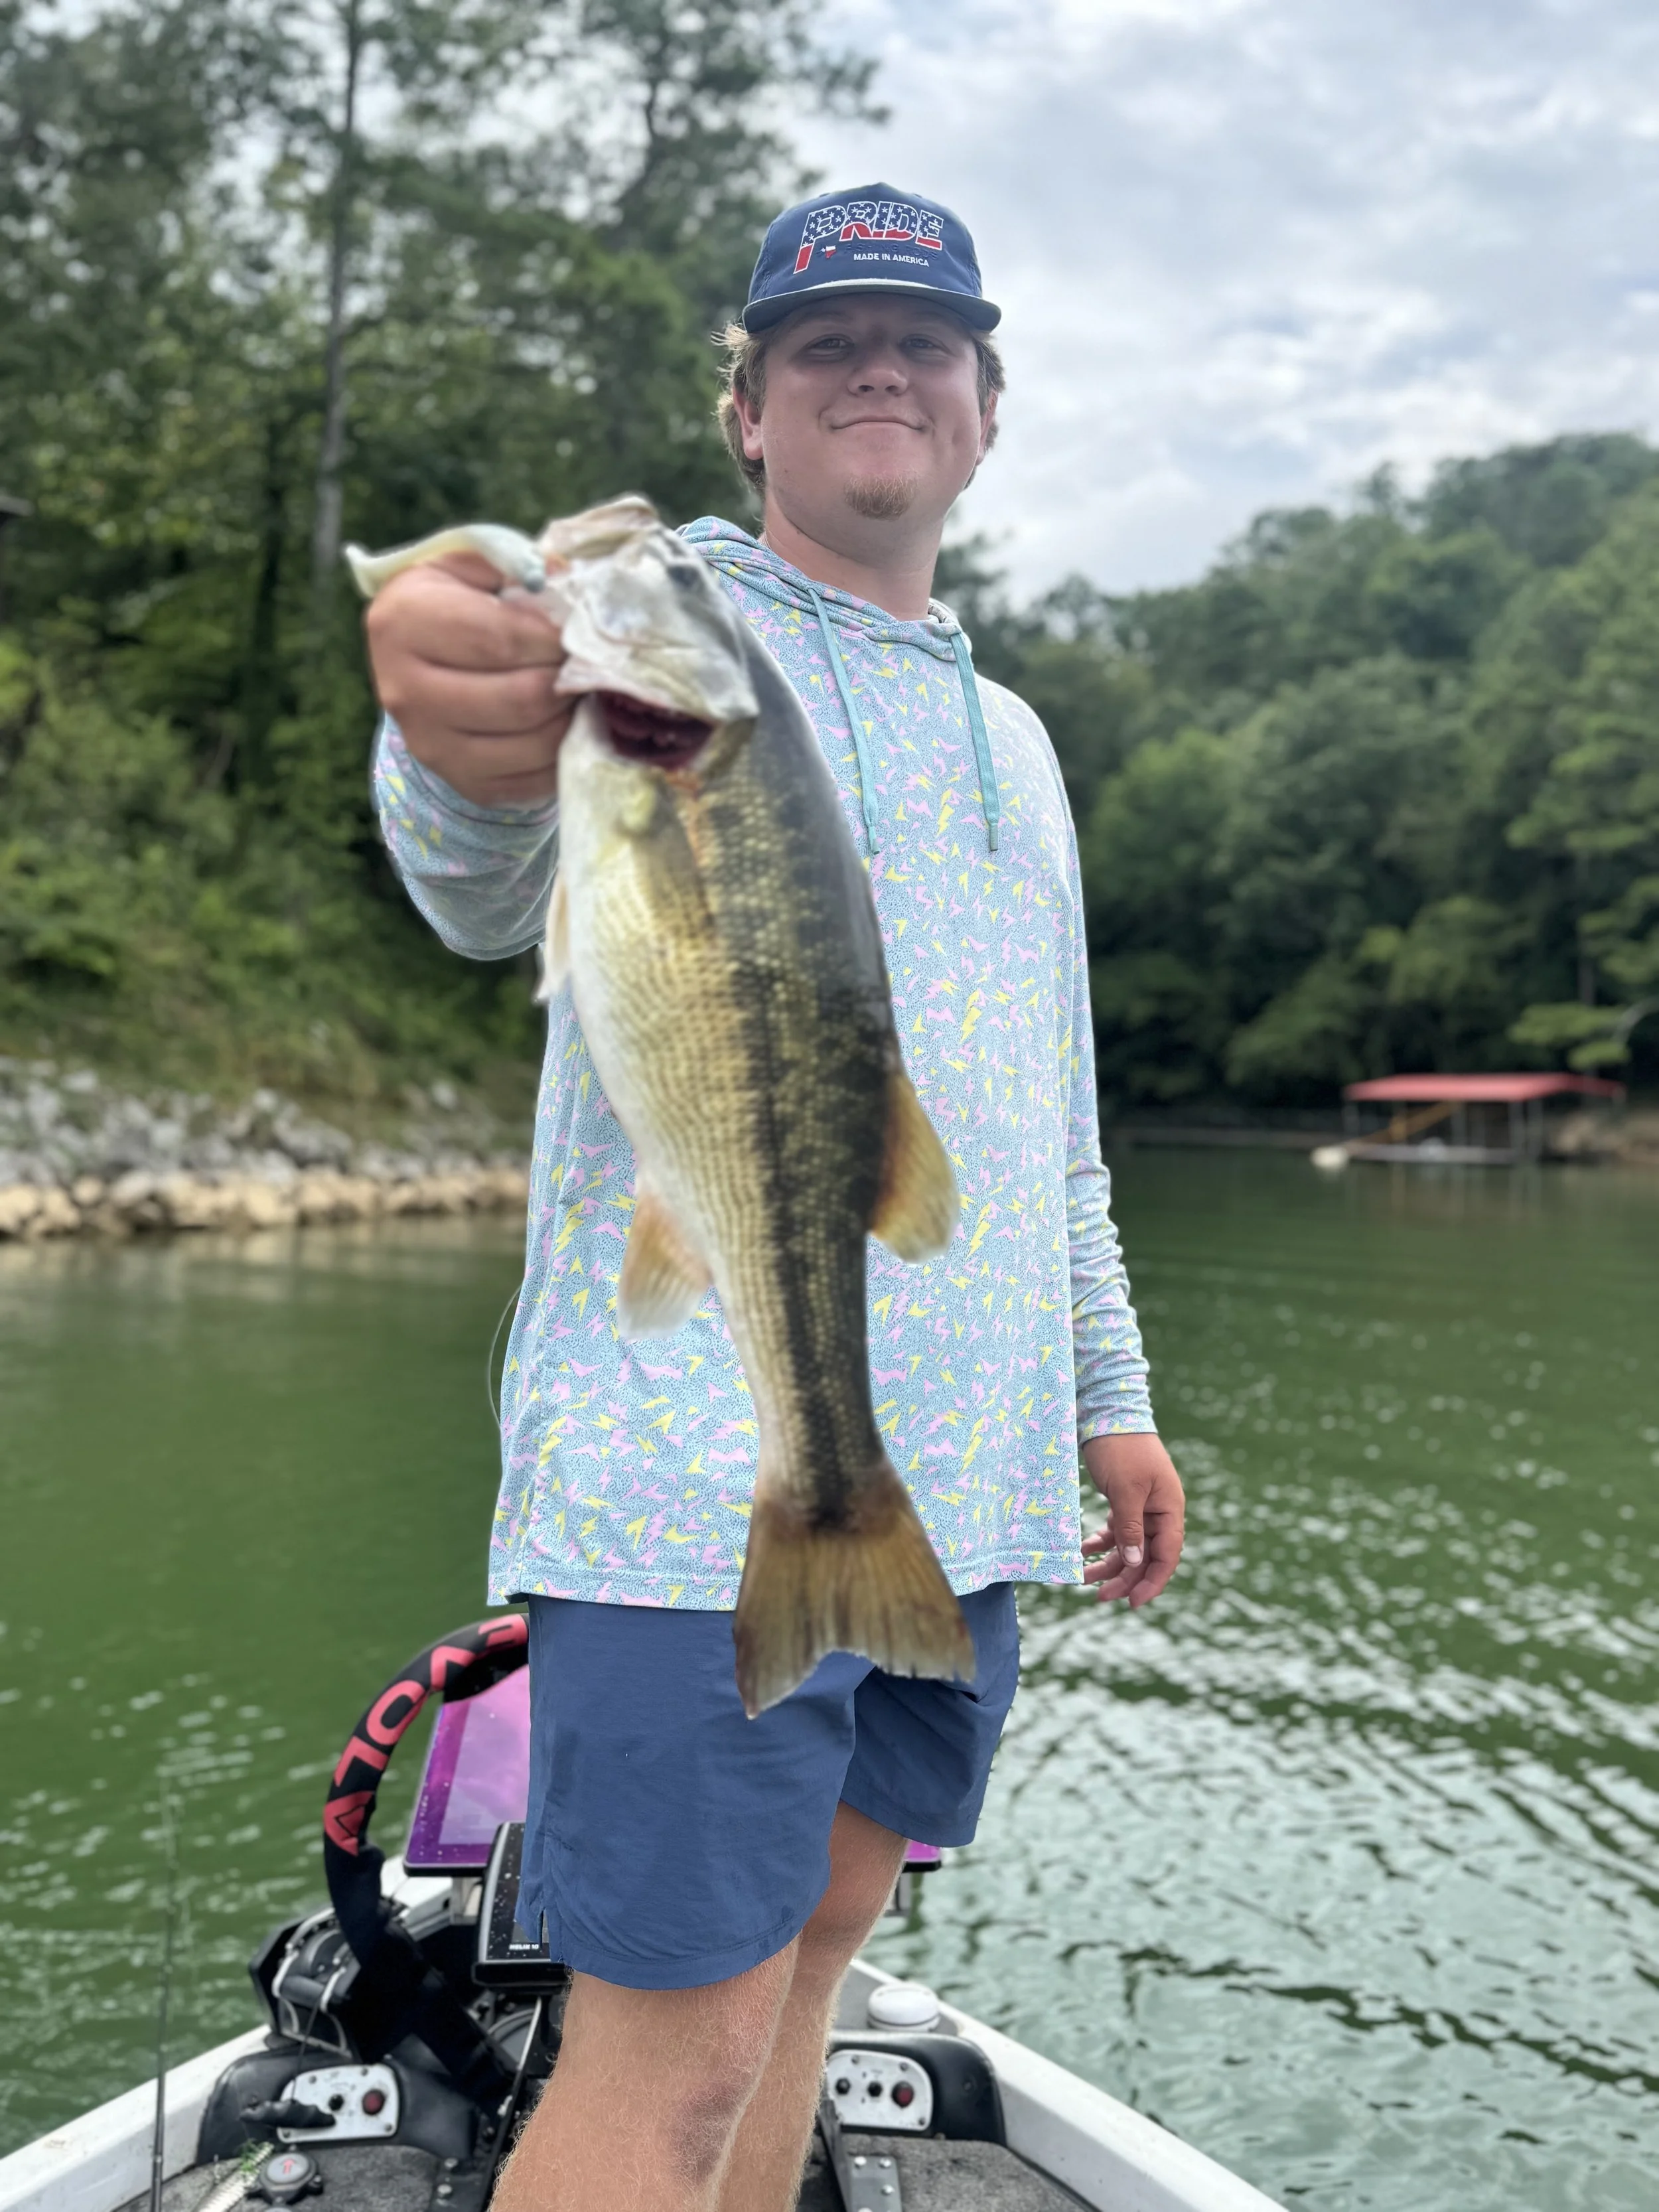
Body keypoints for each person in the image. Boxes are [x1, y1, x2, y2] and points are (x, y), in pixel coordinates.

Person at [364, 182, 1186, 2212]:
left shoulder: (1019, 738)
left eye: (925, 343)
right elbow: (481, 865)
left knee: (818, 1951)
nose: (880, 370)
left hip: (952, 1490)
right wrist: (457, 736)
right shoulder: (665, 635)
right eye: (825, 345)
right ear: (751, 407)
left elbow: (1046, 1123)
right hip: (678, 1484)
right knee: (677, 2047)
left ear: (985, 410)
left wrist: (1110, 1391)